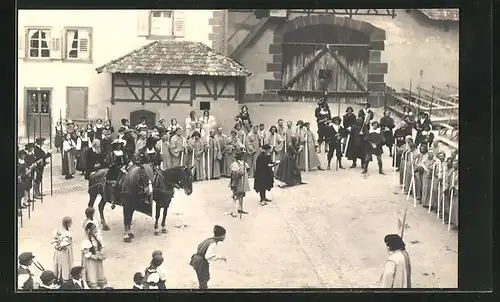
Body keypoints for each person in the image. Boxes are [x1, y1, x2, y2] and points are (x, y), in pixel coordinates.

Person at [189, 225, 227, 289]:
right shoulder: (213, 244)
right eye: (224, 235)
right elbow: (208, 257)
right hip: (201, 262)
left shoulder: (208, 240)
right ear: (220, 236)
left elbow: (199, 247)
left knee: (202, 279)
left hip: (196, 259)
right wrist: (220, 257)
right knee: (204, 281)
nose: (224, 237)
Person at [81, 222, 107, 289]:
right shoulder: (86, 240)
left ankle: (100, 283)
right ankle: (93, 285)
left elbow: (100, 246)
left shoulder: (95, 237)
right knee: (92, 272)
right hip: (91, 261)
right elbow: (86, 253)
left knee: (99, 272)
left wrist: (101, 253)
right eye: (94, 229)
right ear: (90, 230)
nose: (96, 230)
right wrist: (95, 257)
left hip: (97, 258)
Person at [51, 216, 74, 285]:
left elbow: (54, 240)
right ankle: (64, 280)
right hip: (64, 252)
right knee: (65, 265)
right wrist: (61, 246)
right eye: (71, 222)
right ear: (68, 223)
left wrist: (56, 246)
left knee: (58, 264)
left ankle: (58, 278)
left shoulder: (58, 230)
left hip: (57, 252)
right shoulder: (67, 234)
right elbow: (65, 243)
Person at [229, 150, 250, 217]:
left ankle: (240, 209)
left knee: (241, 196)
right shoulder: (235, 164)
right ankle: (233, 211)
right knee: (235, 196)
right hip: (236, 182)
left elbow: (248, 168)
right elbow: (234, 174)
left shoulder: (243, 163)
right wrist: (240, 173)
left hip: (242, 182)